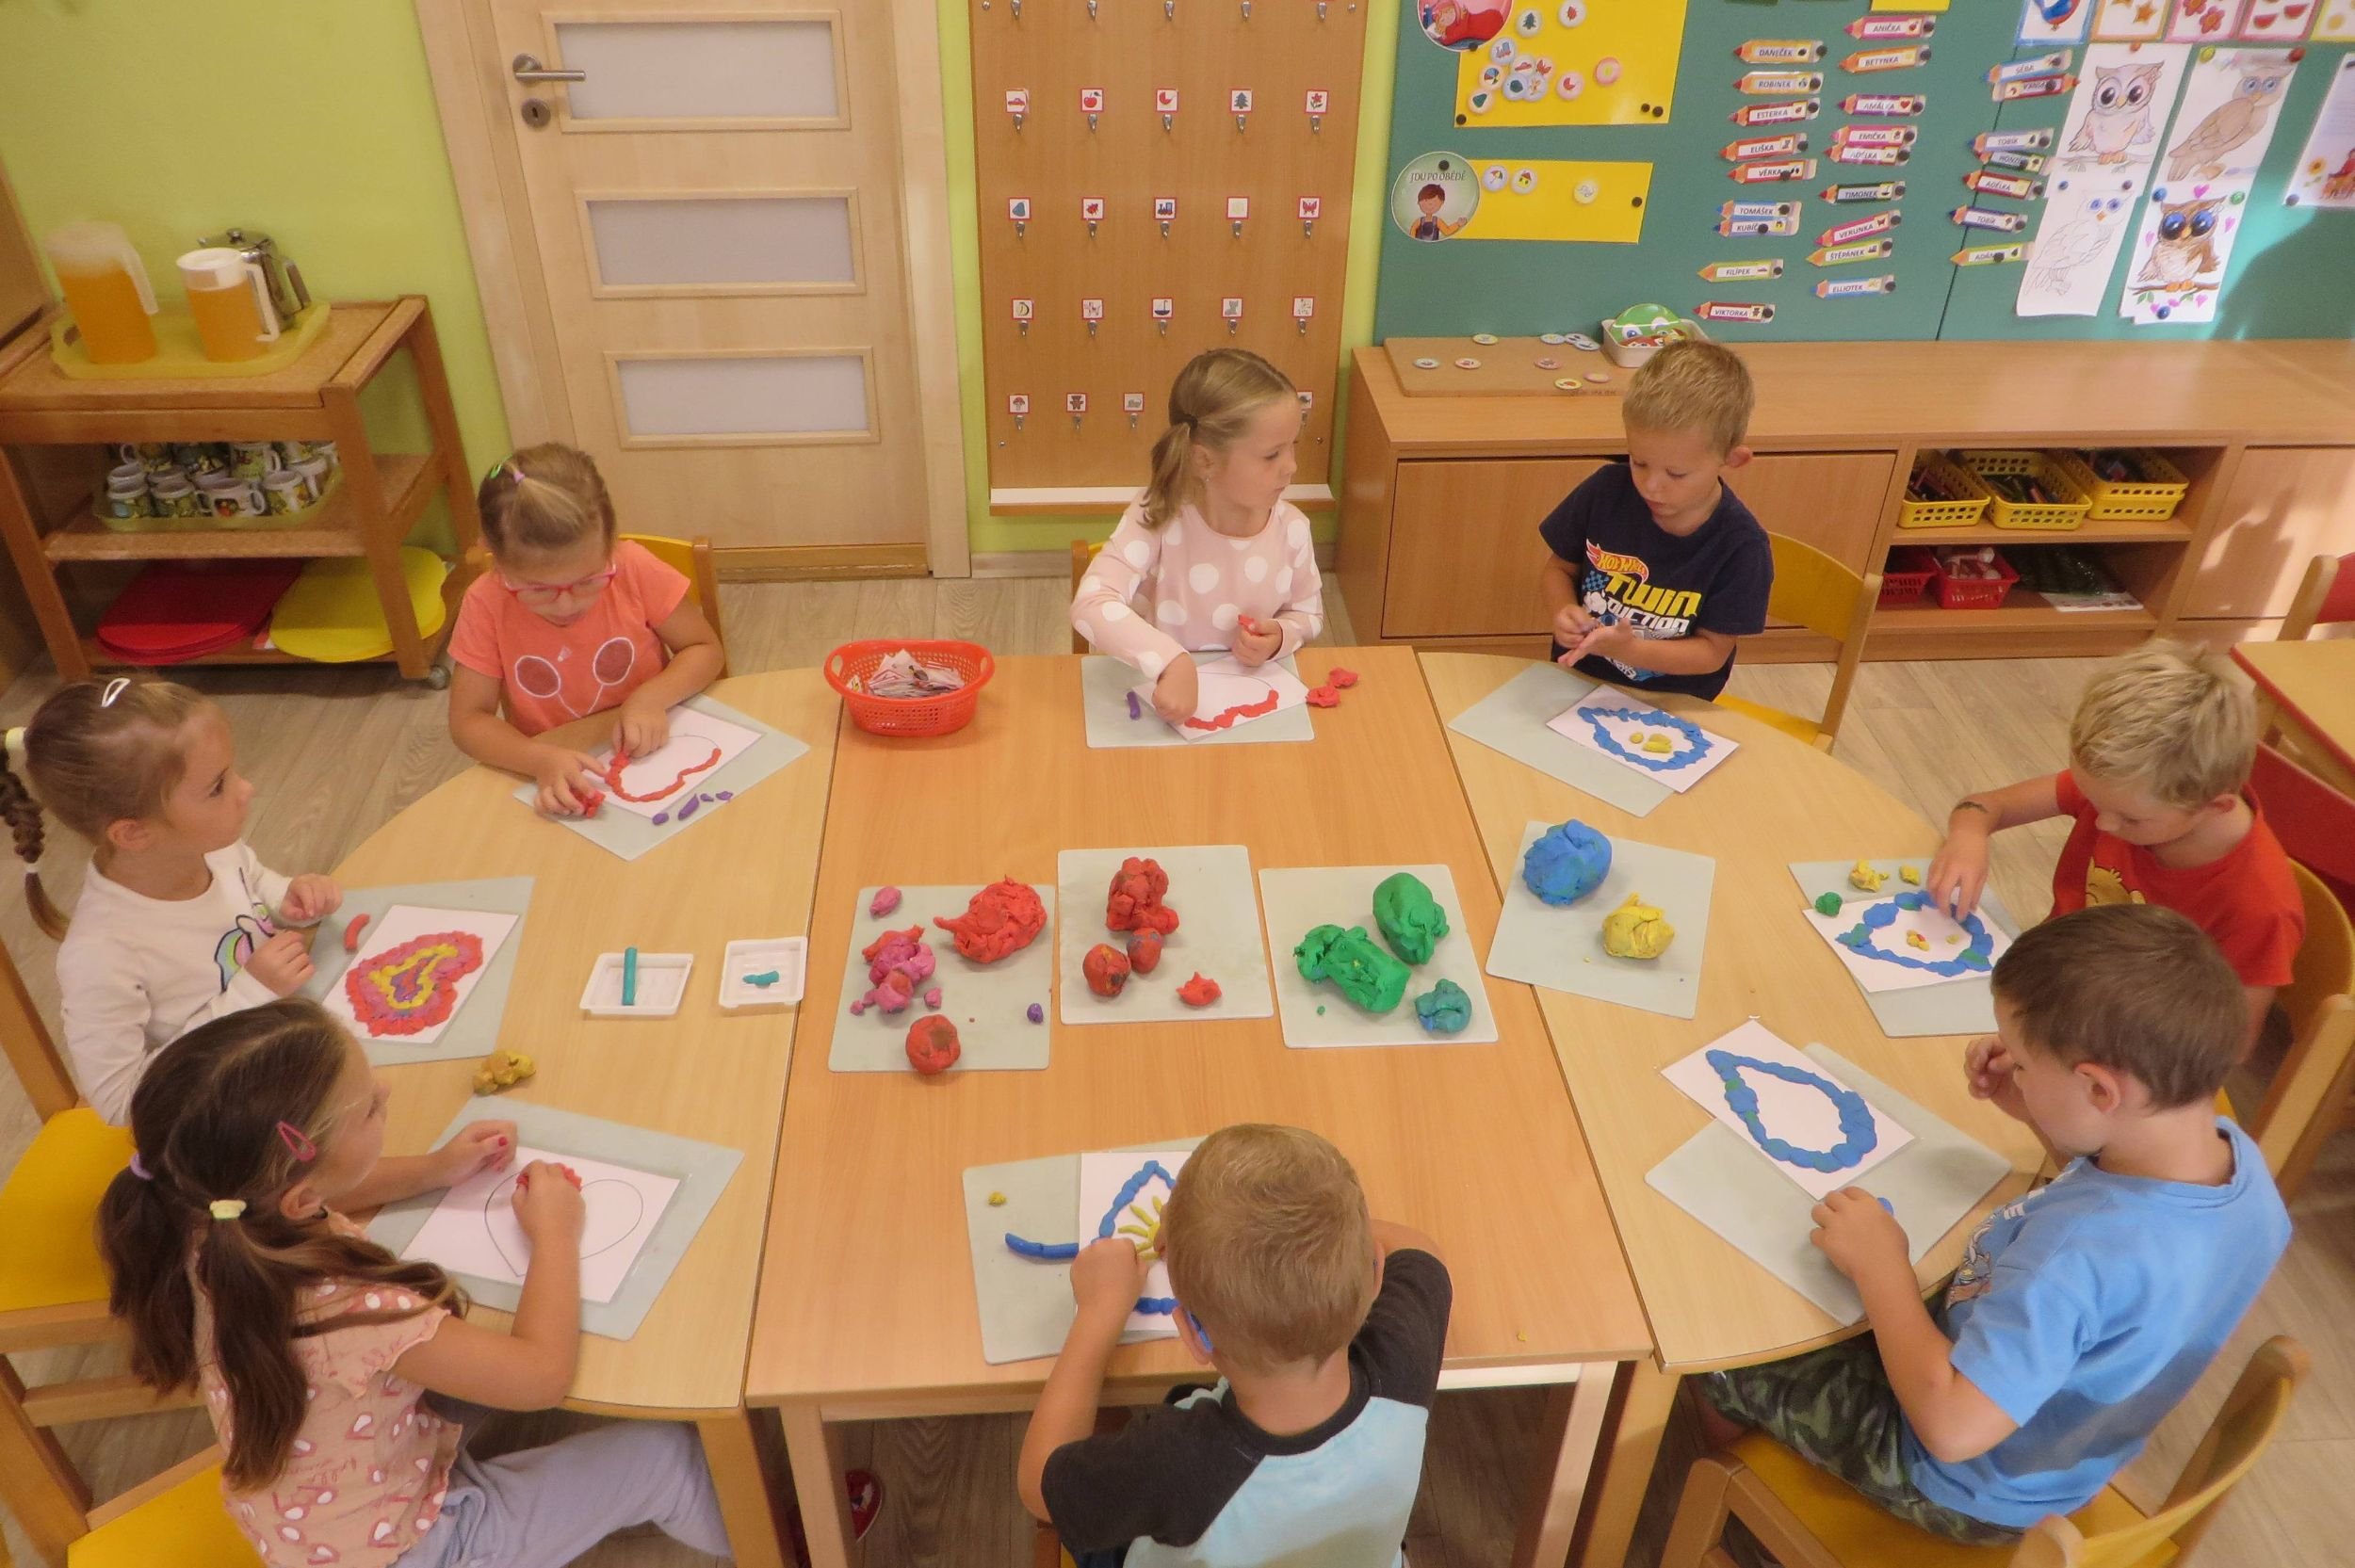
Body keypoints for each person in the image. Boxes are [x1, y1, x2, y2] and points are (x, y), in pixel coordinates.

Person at [1698, 905, 2291, 1544]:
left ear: (2098, 1089)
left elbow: (1952, 1429)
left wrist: (1883, 1269)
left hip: (1962, 1484)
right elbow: (2123, 1234)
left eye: (2027, 1065)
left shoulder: (2071, 1261)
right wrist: (2037, 1111)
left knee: (1723, 1352)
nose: (2014, 1069)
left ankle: (1746, 1526)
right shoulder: (2238, 1171)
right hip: (2067, 1450)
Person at [97, 998, 736, 1567]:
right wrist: (556, 1234)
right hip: (413, 1551)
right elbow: (541, 1377)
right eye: (369, 1107)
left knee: (475, 1364)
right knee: (666, 1458)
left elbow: (327, 1189)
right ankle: (775, 1544)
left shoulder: (208, 1217)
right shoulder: (351, 1311)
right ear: (299, 1194)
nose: (386, 1088)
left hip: (321, 1519)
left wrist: (436, 1169)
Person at [1017, 1123, 1451, 1567]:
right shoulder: (1403, 1362)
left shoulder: (1175, 1463)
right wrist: (1316, 1232)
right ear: (1375, 1273)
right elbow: (1420, 1247)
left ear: (1193, 1334)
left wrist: (1098, 1312)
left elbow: (1037, 1485)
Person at [1925, 638, 2302, 1049]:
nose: (2103, 822)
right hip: (2048, 982)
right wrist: (1968, 835)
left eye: (2130, 819)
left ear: (2215, 806)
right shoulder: (2128, 792)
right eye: (2093, 799)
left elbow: (2232, 1045)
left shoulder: (2260, 905)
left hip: (2123, 1045)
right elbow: (1985, 805)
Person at [0, 677, 338, 1123]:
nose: (246, 789)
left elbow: (252, 880)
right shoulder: (102, 955)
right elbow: (121, 1102)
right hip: (226, 1113)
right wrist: (249, 993)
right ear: (134, 833)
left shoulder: (211, 850)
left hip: (286, 1045)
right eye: (217, 786)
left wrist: (286, 897)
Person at [447, 443, 723, 816]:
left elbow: (704, 649)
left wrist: (651, 698)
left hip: (655, 748)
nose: (566, 605)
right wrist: (538, 759)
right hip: (555, 769)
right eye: (538, 590)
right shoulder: (486, 602)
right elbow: (468, 722)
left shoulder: (633, 568)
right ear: (492, 554)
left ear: (610, 542)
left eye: (589, 581)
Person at [1071, 349, 1325, 723]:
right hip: (1166, 707)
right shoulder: (1157, 514)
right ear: (1204, 460)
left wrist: (1281, 636)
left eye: (1293, 446)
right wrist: (1170, 661)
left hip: (1253, 711)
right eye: (1272, 455)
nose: (1292, 466)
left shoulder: (1293, 529)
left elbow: (1309, 614)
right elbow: (1091, 603)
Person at [1535, 338, 1773, 701]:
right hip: (1578, 685)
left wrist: (1631, 651)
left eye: (1676, 474)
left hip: (1672, 705)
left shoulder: (1741, 547)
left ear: (1732, 460)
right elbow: (1558, 570)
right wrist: (1564, 611)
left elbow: (1712, 652)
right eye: (1639, 462)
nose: (1651, 486)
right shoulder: (1605, 491)